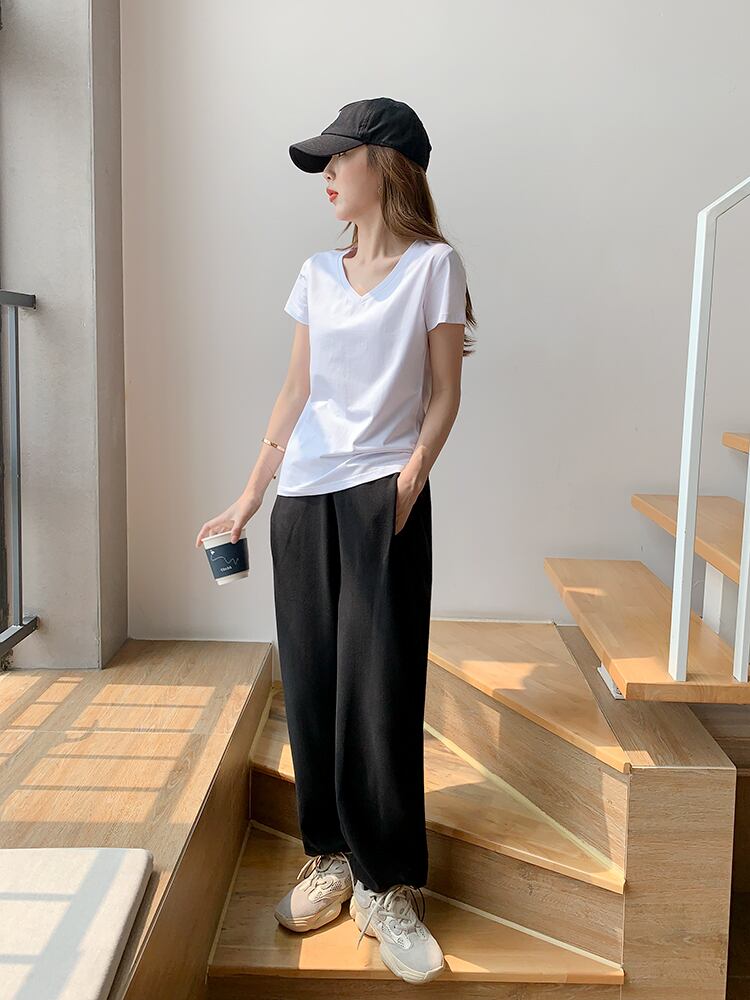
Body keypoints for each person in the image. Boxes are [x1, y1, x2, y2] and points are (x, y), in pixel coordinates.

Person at [195, 97, 476, 986]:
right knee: (313, 685)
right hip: (305, 499)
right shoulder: (316, 272)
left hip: (381, 496)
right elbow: (295, 394)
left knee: (379, 687)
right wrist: (249, 496)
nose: (325, 174)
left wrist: (409, 480)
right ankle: (331, 857)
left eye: (337, 158)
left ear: (383, 167)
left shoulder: (434, 267)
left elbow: (443, 392)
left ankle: (389, 885)